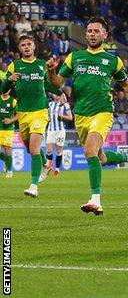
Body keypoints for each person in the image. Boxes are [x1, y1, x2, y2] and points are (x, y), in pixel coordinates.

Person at [46, 17, 128, 215]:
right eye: (89, 31)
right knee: (101, 158)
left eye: (96, 31)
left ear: (105, 35)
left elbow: (126, 84)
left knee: (90, 151)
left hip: (103, 112)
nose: (91, 34)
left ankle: (95, 200)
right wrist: (50, 70)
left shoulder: (113, 61)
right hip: (81, 115)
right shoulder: (75, 57)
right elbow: (57, 83)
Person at [1, 35, 62, 197]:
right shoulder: (15, 66)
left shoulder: (42, 65)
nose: (26, 47)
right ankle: (46, 164)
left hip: (40, 111)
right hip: (22, 113)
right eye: (23, 45)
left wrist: (60, 93)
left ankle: (34, 186)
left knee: (34, 148)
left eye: (29, 44)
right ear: (19, 49)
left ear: (34, 46)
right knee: (29, 149)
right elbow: (3, 89)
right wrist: (9, 80)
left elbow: (47, 85)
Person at [45, 93, 73, 176]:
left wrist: (62, 116)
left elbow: (70, 117)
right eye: (55, 94)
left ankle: (57, 168)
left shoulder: (65, 105)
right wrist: (48, 119)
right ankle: (49, 166)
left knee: (59, 150)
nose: (56, 95)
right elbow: (47, 116)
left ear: (61, 95)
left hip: (60, 130)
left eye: (58, 94)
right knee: (49, 150)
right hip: (50, 130)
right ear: (53, 95)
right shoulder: (49, 104)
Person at [0, 89, 17, 178]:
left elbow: (19, 114)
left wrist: (10, 120)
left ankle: (10, 171)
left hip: (8, 130)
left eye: (7, 88)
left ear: (10, 90)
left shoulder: (13, 101)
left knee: (7, 151)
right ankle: (7, 162)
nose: (5, 90)